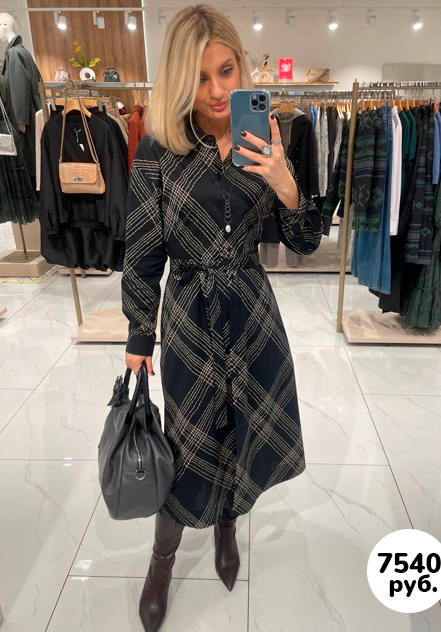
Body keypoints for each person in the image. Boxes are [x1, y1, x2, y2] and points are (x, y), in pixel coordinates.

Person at [121, 4, 322, 631]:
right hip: (189, 321)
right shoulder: (158, 148)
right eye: (200, 77)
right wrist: (138, 333)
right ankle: (162, 561)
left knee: (242, 432)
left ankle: (227, 527)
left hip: (253, 314)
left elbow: (305, 240)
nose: (215, 91)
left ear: (241, 67)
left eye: (226, 72)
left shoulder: (266, 136)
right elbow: (142, 251)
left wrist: (285, 183)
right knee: (186, 448)